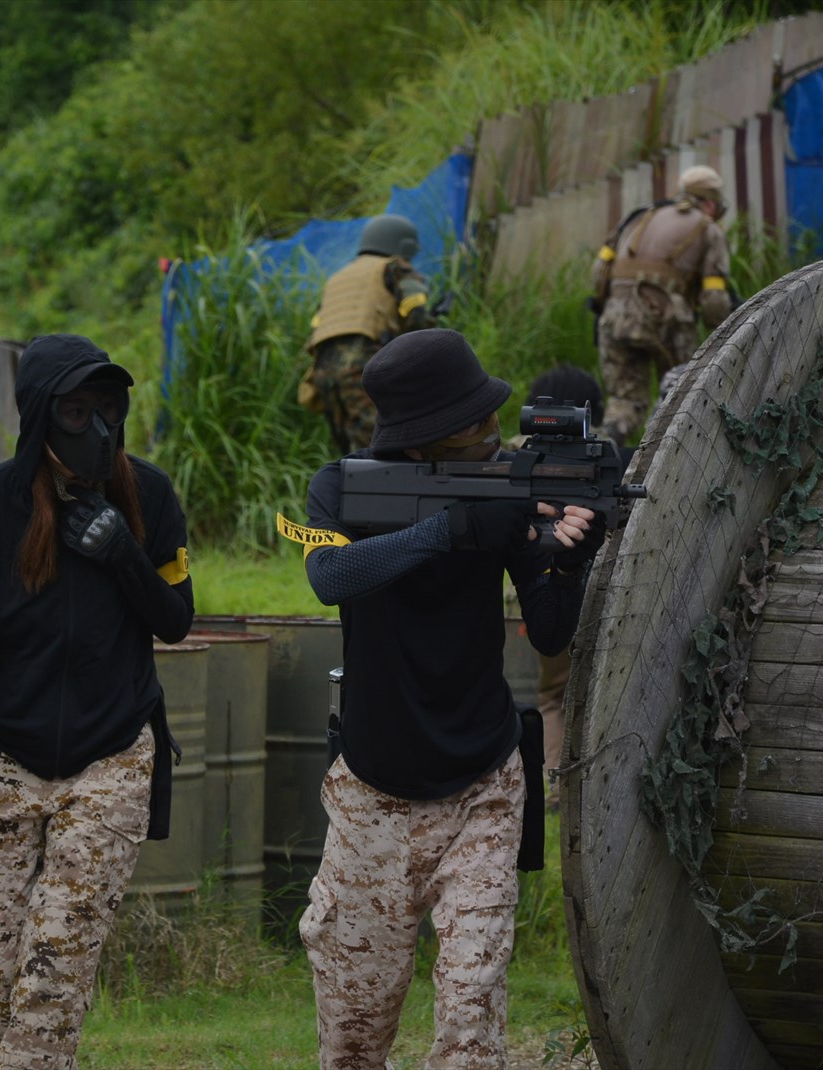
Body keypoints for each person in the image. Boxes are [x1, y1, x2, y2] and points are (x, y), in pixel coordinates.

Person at [290, 328, 606, 1069]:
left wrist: (570, 563)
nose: (493, 429)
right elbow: (330, 578)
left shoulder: (501, 487)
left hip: (483, 788)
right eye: (474, 421)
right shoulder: (338, 487)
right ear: (424, 433)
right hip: (372, 797)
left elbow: (550, 631)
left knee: (471, 1020)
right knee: (354, 1037)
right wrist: (448, 530)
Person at [0, 333, 194, 1070]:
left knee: (54, 966)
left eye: (109, 408)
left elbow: (177, 620)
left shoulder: (150, 494)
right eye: (77, 412)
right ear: (41, 415)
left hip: (112, 759)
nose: (97, 428)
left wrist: (124, 554)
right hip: (6, 757)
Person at [509, 364, 612, 809]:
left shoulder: (512, 457)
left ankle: (552, 783)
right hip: (568, 591)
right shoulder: (596, 457)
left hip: (524, 595)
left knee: (549, 694)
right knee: (574, 692)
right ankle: (569, 786)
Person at [590, 164, 734, 445]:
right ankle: (669, 454)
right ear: (709, 203)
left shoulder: (638, 217)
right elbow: (714, 300)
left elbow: (598, 275)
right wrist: (725, 337)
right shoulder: (707, 228)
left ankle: (606, 447)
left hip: (615, 317)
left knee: (624, 402)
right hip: (665, 318)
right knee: (683, 399)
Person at [302, 213, 436, 454]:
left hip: (323, 368)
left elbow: (316, 325)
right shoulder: (394, 267)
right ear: (403, 245)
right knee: (381, 441)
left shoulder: (338, 277)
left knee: (350, 448)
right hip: (363, 362)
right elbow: (416, 312)